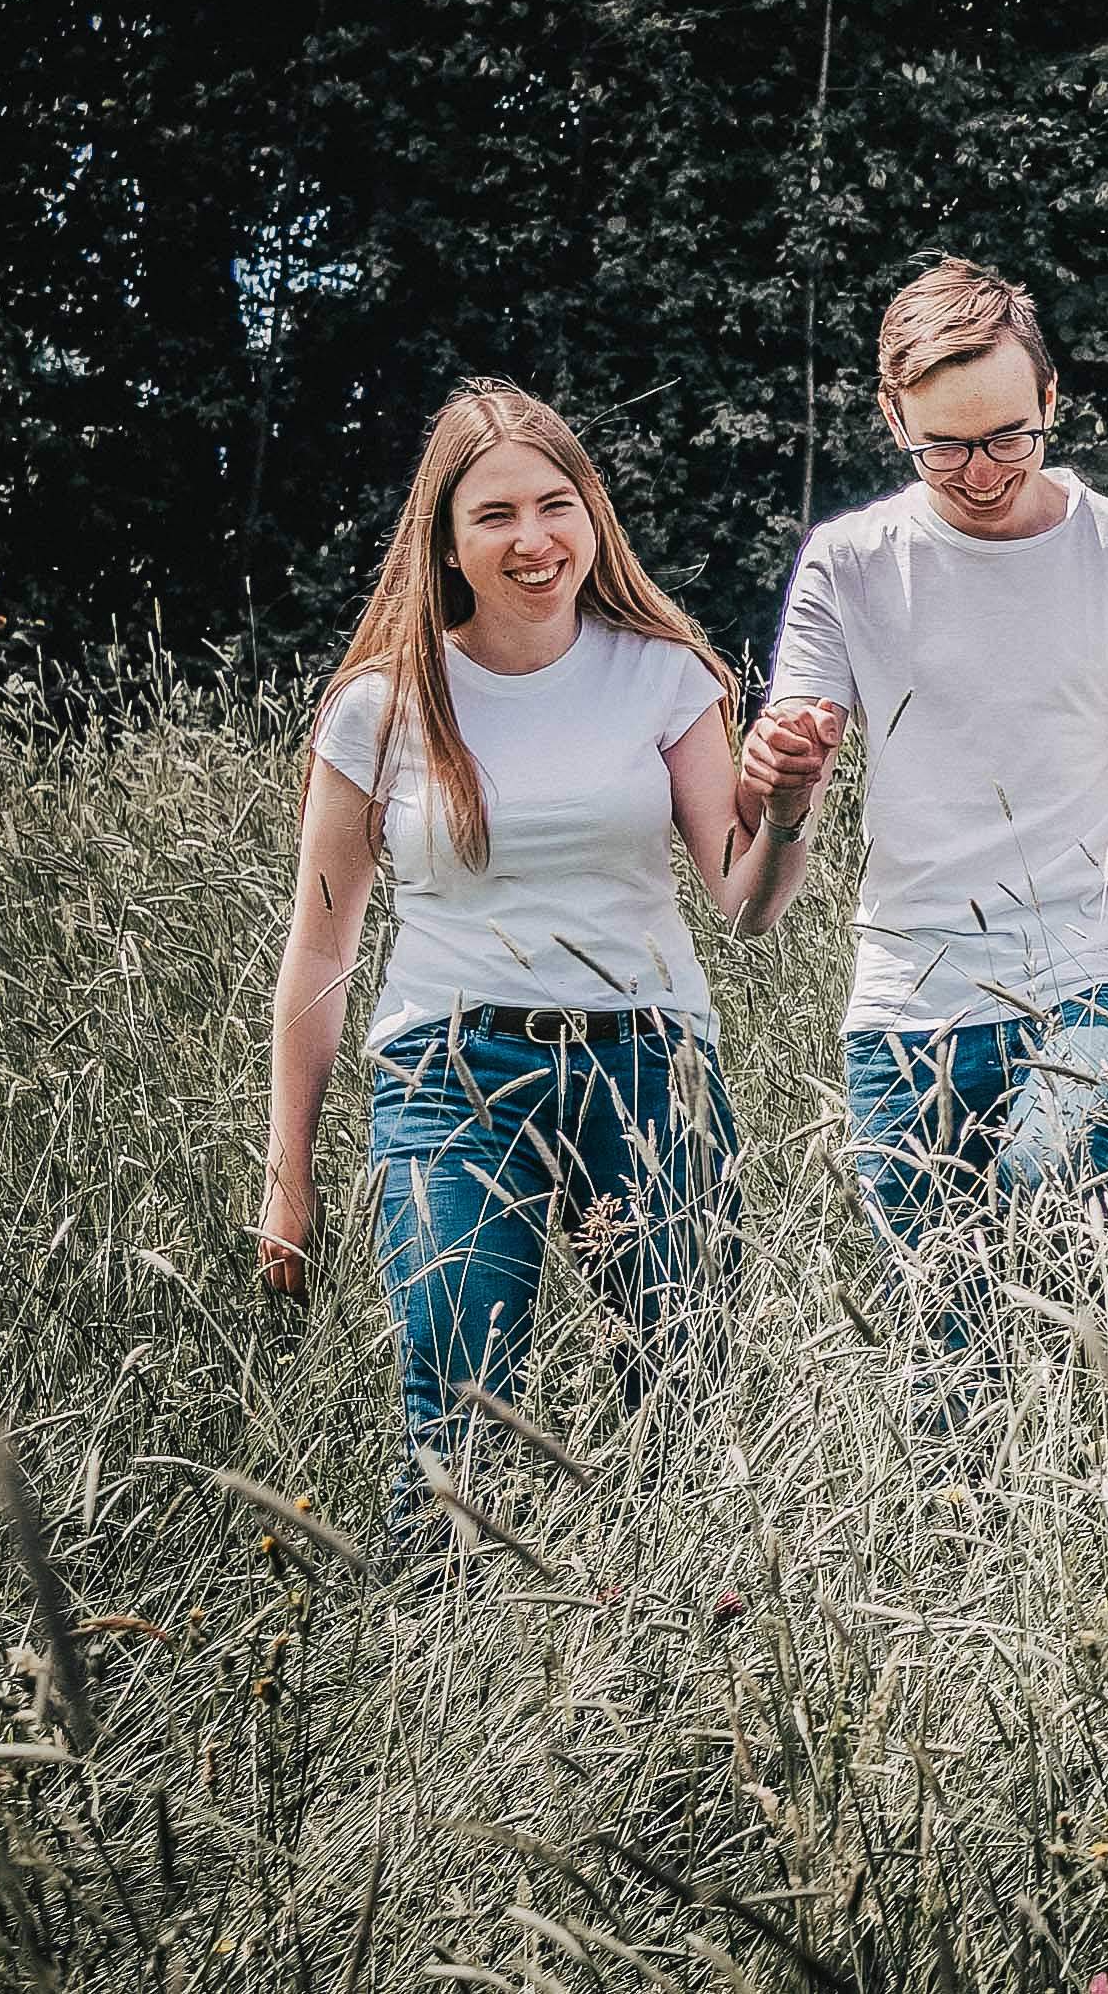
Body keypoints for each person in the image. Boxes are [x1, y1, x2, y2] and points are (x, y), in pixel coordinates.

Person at [257, 380, 751, 1549]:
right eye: (494, 517)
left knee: (689, 1399)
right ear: (448, 542)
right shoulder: (381, 707)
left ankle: (677, 1670)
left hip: (647, 1067)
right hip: (450, 1080)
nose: (533, 540)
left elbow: (743, 897)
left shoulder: (666, 673)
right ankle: (435, 1685)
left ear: (592, 511)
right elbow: (321, 946)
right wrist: (290, 1172)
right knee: (457, 1415)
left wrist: (789, 805)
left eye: (555, 503)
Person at [730, 257, 1108, 1436]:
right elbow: (800, 754)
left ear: (1051, 397)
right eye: (943, 448)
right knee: (944, 1334)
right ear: (891, 418)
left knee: (1048, 1197)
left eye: (1009, 438)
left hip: (1090, 972)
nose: (983, 474)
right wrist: (780, 774)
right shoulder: (850, 563)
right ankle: (994, 1553)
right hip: (906, 996)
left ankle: (1089, 1478)